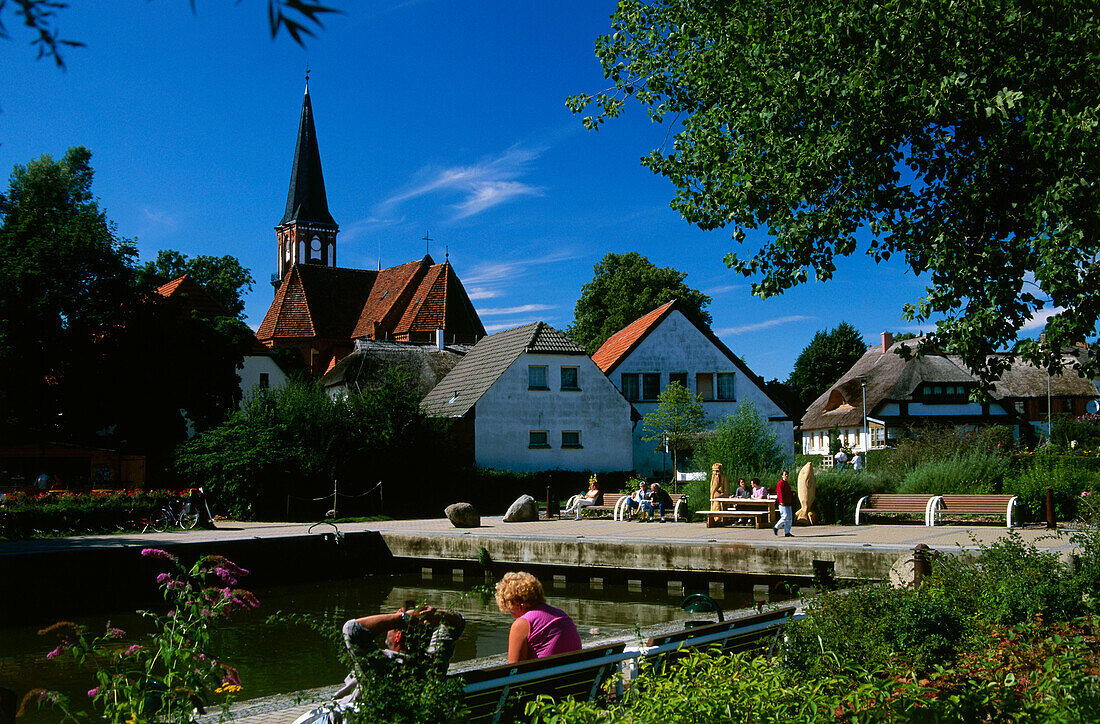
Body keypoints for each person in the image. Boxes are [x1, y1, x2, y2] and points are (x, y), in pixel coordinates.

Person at [495, 572, 582, 663]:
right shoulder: (562, 615)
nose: (512, 615)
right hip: (572, 674)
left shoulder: (522, 624)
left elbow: (514, 670)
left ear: (518, 605)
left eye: (510, 611)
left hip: (547, 676)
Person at [773, 470, 794, 537]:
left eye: (787, 474)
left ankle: (787, 532)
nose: (786, 475)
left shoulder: (787, 483)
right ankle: (776, 527)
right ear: (782, 475)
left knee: (789, 518)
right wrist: (781, 501)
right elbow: (779, 493)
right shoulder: (780, 483)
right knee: (785, 517)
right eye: (785, 474)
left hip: (788, 502)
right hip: (783, 503)